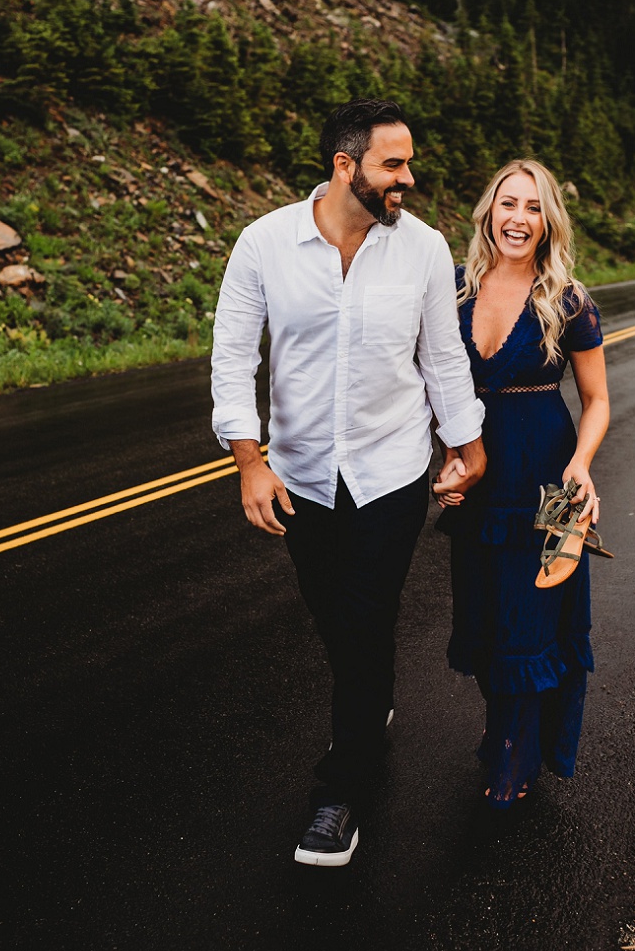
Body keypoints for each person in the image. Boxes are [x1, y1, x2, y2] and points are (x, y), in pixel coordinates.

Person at [211, 97, 486, 867]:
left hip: (391, 474)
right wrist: (249, 462)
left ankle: (341, 793)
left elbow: (442, 359)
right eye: (392, 165)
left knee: (365, 622)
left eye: (409, 164)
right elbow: (234, 359)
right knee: (339, 623)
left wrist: (468, 446)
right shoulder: (264, 244)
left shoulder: (425, 250)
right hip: (300, 478)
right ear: (345, 166)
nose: (408, 179)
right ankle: (369, 705)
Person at [434, 159, 610, 810]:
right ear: (488, 212)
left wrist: (582, 463)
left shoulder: (569, 299)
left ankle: (516, 746)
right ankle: (505, 723)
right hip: (478, 475)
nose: (518, 218)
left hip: (544, 475)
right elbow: (436, 389)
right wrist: (448, 463)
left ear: (548, 221)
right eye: (508, 203)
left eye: (533, 207)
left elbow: (596, 400)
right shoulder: (452, 289)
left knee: (531, 620)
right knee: (482, 617)